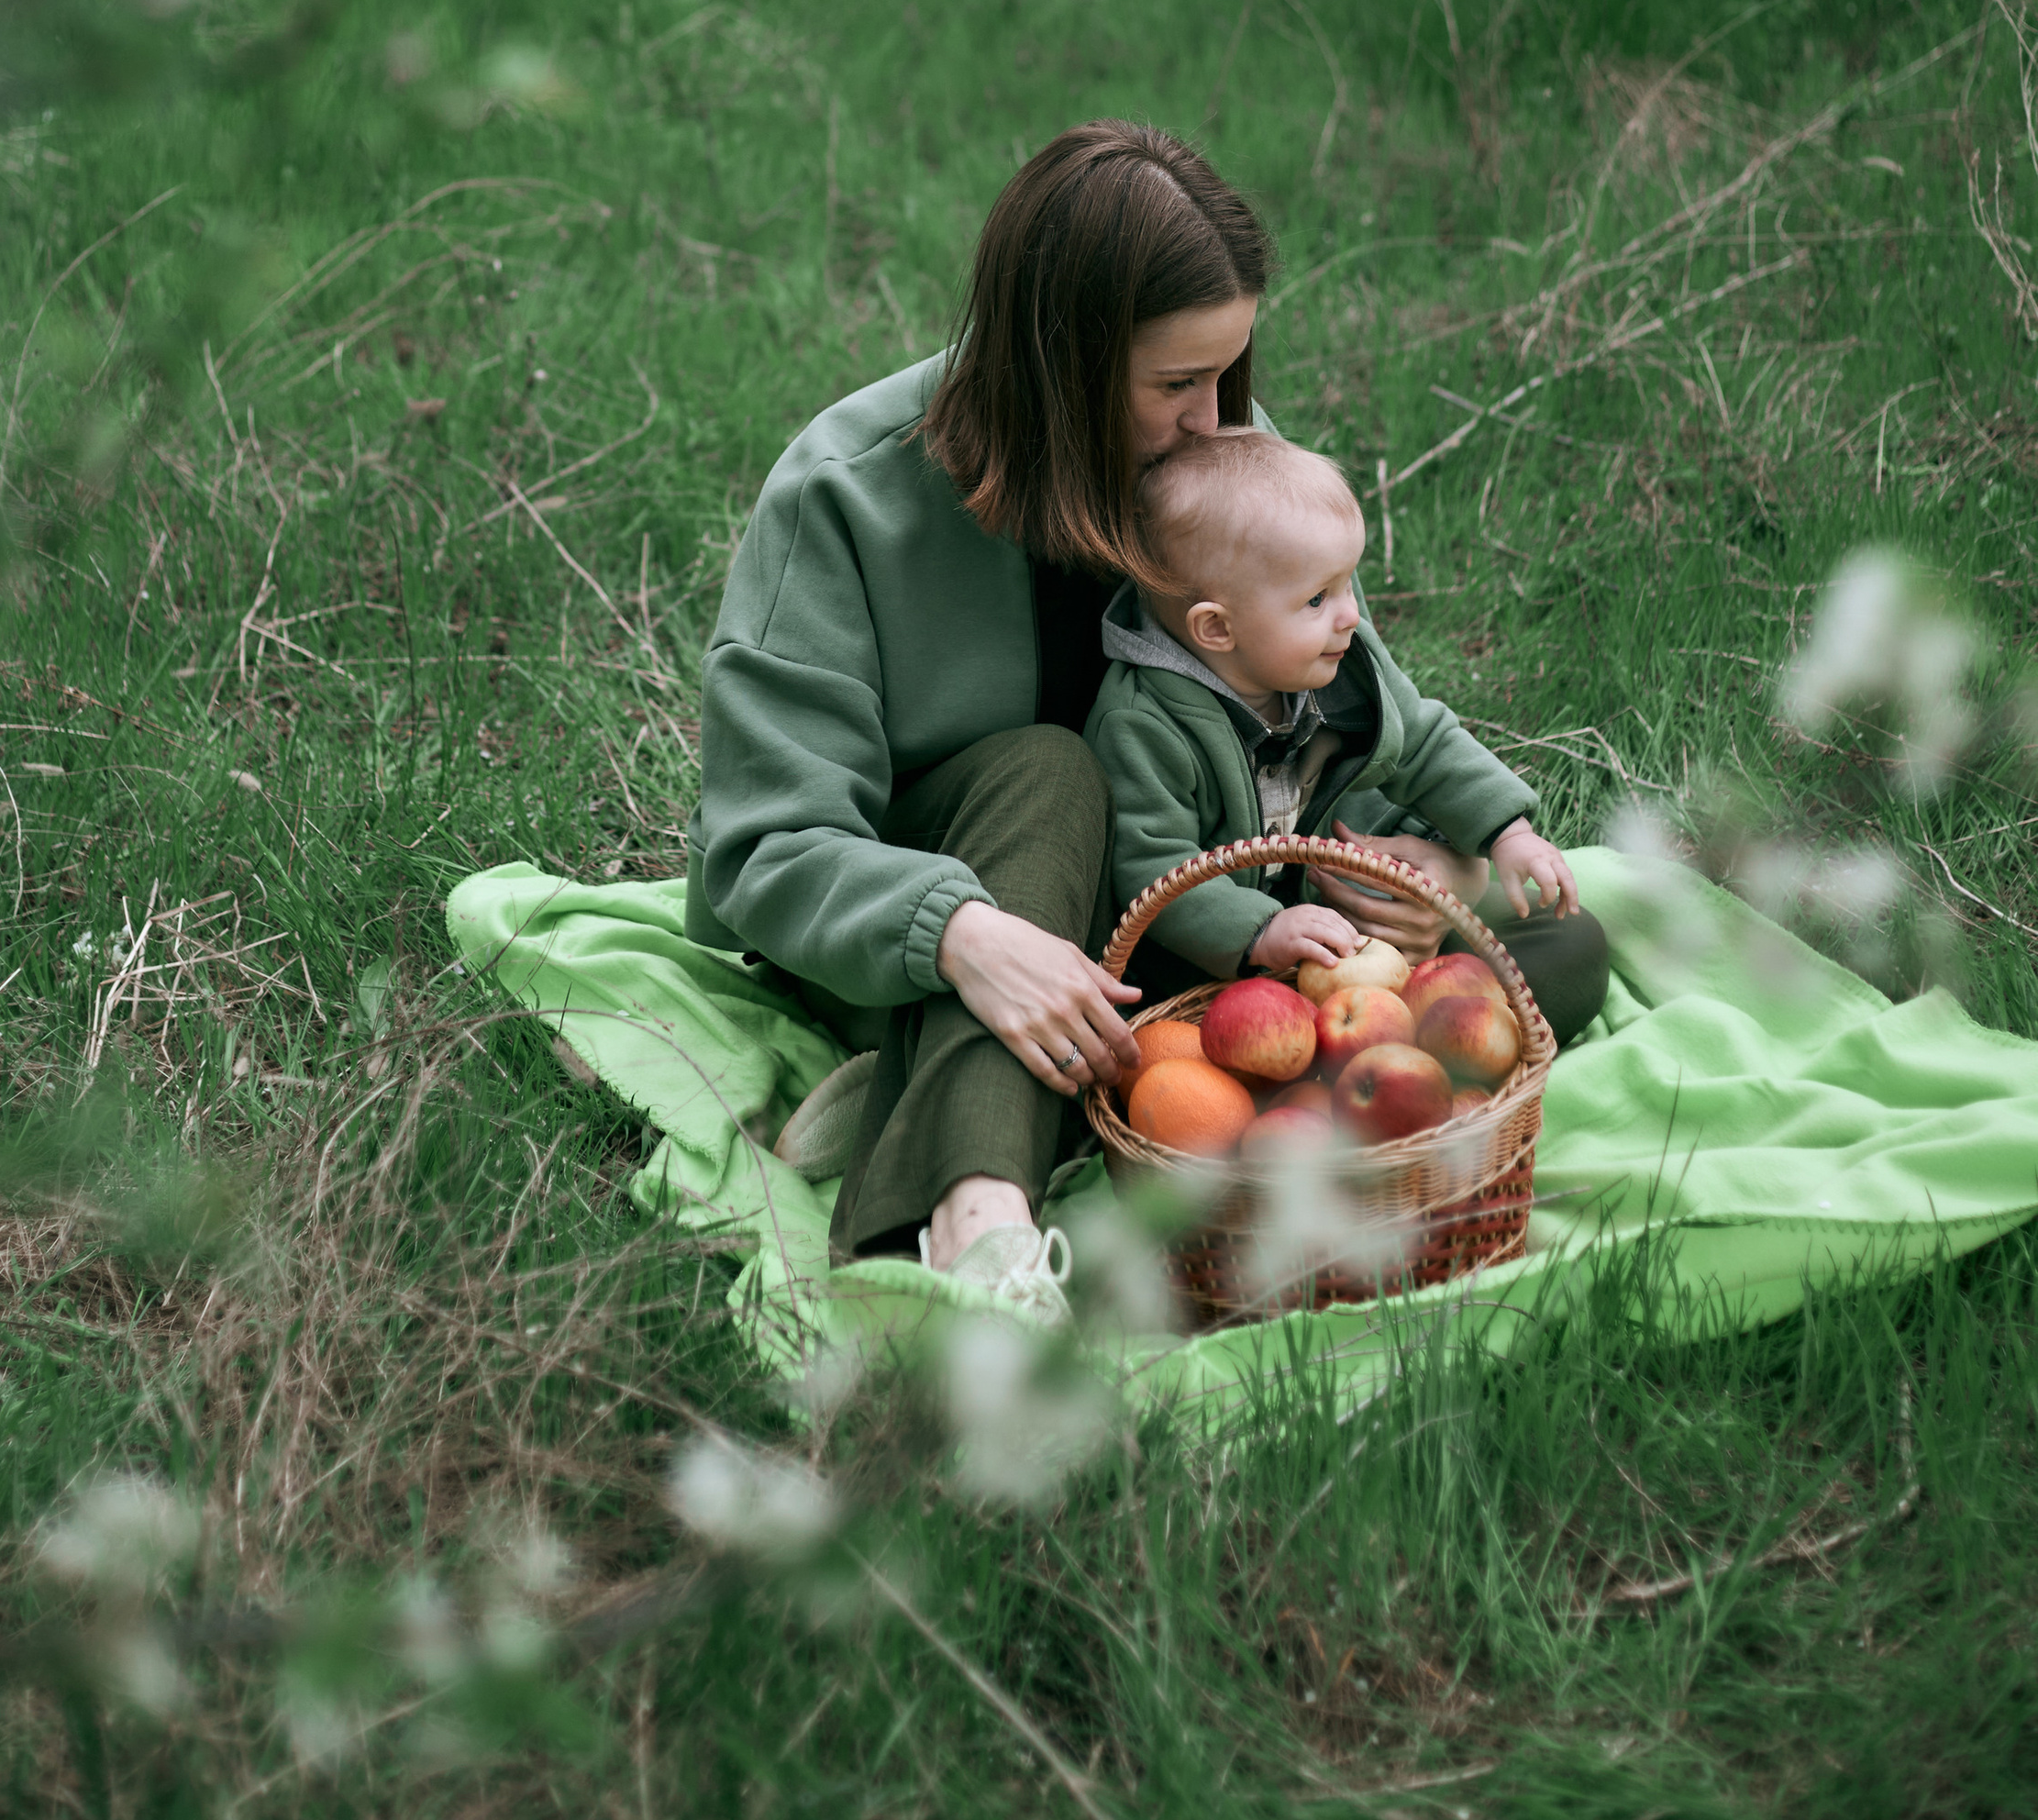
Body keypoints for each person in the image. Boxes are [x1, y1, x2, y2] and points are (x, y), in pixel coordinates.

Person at [690, 119, 1275, 1325]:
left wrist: (1391, 840)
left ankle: (909, 1089)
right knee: (1054, 773)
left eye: (1228, 375)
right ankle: (976, 1214)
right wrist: (957, 933)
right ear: (1060, 362)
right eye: (1176, 385)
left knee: (1549, 963)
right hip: (903, 920)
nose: (1216, 422)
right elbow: (760, 850)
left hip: (1161, 898)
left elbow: (1322, 689)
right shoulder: (845, 490)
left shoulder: (1212, 464)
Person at [1088, 431, 1611, 1043]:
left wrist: (1507, 832)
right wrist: (1258, 932)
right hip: (1228, 975)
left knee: (1570, 945)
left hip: (1362, 930)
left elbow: (1423, 739)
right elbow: (1153, 865)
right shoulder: (1143, 723)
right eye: (1317, 598)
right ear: (1217, 629)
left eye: (1345, 585)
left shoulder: (1342, 661)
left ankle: (1414, 1041)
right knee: (1183, 1046)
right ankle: (1374, 1060)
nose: (1350, 615)